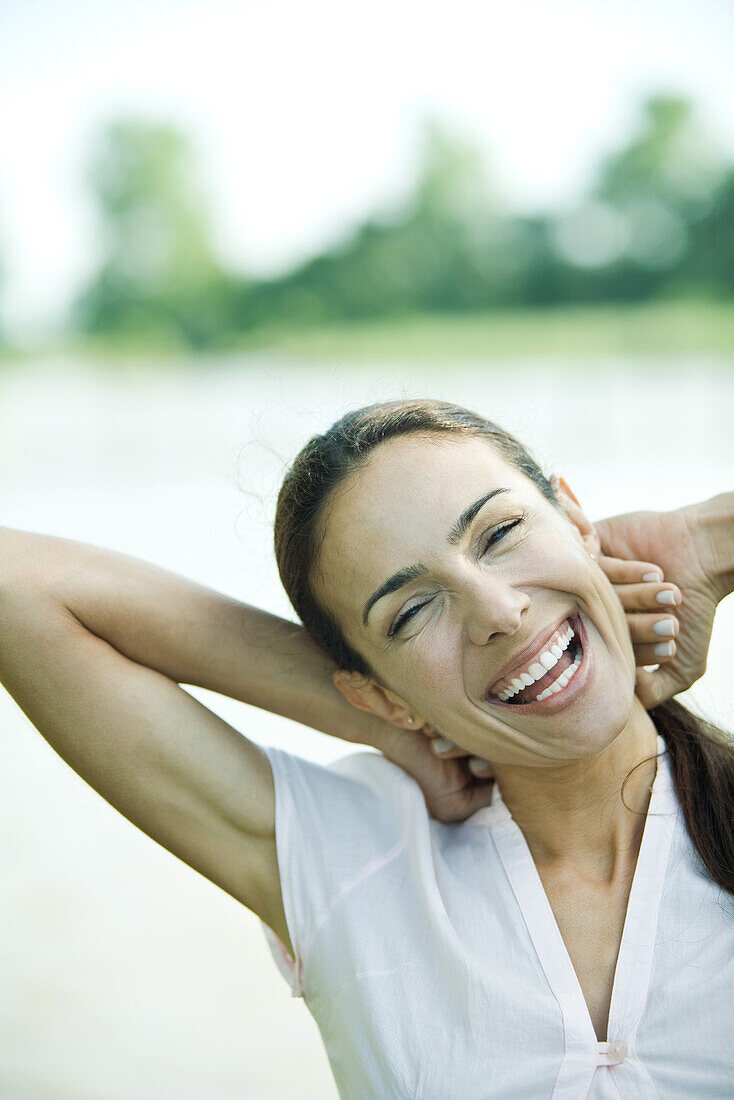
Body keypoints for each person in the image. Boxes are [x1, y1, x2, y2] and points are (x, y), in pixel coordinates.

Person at [1, 397, 732, 1099]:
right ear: (375, 690)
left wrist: (706, 541)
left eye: (501, 533)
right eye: (412, 609)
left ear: (574, 517)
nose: (500, 612)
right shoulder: (353, 861)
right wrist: (387, 717)